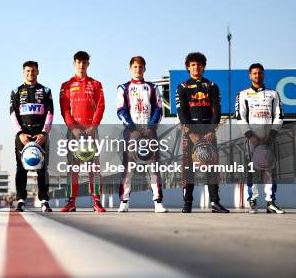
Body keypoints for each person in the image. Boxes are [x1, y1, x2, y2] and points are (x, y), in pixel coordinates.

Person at [176, 52, 229, 213]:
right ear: (188, 67)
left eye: (199, 64)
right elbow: (181, 112)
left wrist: (212, 131)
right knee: (189, 168)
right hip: (190, 132)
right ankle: (187, 202)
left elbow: (217, 110)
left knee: (211, 167)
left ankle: (215, 202)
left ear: (203, 67)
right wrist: (190, 132)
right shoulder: (183, 87)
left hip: (208, 132)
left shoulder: (212, 86)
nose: (196, 67)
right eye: (192, 64)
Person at [116, 56, 167, 213]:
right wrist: (133, 129)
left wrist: (150, 127)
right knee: (128, 168)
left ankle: (158, 202)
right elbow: (121, 110)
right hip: (131, 132)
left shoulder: (152, 87)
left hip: (149, 131)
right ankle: (124, 201)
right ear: (130, 68)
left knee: (153, 167)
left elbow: (159, 109)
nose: (138, 69)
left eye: (141, 67)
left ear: (145, 68)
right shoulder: (123, 88)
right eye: (135, 67)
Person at [59, 51, 106, 212]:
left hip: (91, 131)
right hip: (73, 132)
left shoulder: (96, 84)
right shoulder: (66, 85)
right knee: (73, 168)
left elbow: (100, 106)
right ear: (74, 63)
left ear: (88, 64)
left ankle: (97, 201)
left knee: (94, 168)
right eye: (78, 62)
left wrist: (93, 126)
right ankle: (71, 202)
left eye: (84, 62)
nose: (81, 65)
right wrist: (73, 128)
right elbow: (64, 109)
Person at [236, 63, 284, 214]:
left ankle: (270, 202)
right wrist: (251, 137)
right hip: (252, 138)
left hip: (269, 137)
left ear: (264, 75)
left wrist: (272, 135)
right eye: (254, 73)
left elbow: (279, 116)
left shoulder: (273, 94)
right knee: (252, 169)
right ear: (250, 76)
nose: (257, 76)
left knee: (270, 169)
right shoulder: (243, 94)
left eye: (260, 73)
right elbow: (240, 117)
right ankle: (253, 202)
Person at [10, 61, 54, 212]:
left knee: (43, 169)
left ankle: (44, 200)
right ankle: (21, 200)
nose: (30, 73)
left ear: (38, 72)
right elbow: (13, 114)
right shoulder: (16, 91)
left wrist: (44, 133)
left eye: (33, 71)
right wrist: (20, 133)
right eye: (28, 71)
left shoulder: (46, 91)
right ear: (23, 72)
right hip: (22, 137)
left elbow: (50, 113)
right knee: (21, 168)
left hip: (40, 136)